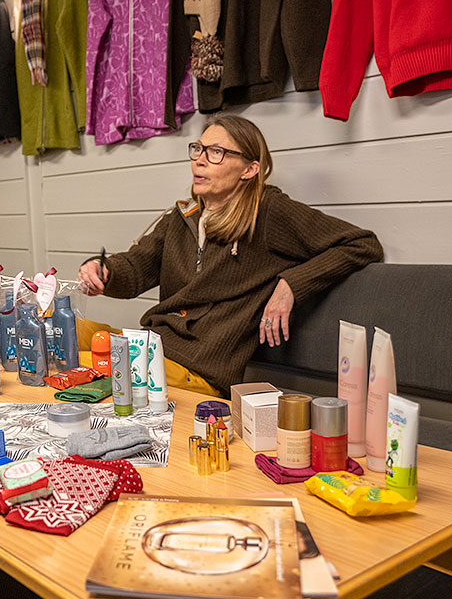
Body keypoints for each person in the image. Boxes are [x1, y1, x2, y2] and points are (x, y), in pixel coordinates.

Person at [77, 113, 383, 396]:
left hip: (197, 369)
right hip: (155, 347)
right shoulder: (182, 216)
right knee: (68, 332)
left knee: (90, 362)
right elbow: (135, 268)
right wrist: (104, 270)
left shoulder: (267, 212)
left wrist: (291, 285)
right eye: (198, 149)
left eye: (216, 152)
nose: (200, 161)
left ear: (249, 169)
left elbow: (361, 244)